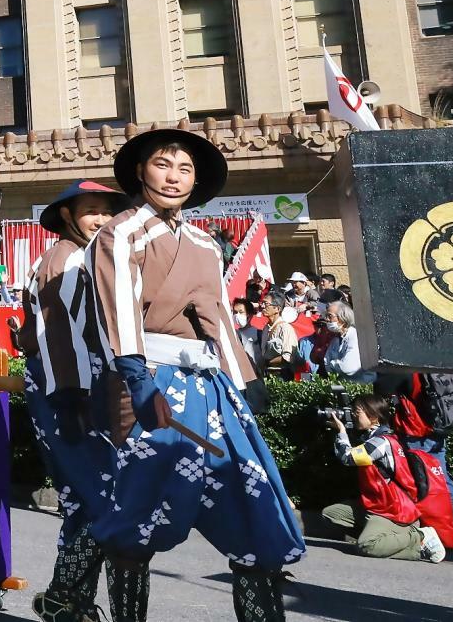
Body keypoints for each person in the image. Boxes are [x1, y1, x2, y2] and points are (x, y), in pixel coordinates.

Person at [87, 129, 304, 622]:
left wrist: (246, 379)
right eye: (163, 164)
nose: (174, 177)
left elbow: (217, 315)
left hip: (209, 386)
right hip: (147, 381)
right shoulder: (119, 234)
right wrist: (137, 381)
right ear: (141, 172)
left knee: (252, 506)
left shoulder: (205, 241)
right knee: (133, 519)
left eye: (185, 169)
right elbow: (119, 314)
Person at [20, 178, 127, 622]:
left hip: (84, 388)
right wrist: (69, 398)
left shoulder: (87, 255)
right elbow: (54, 336)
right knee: (102, 501)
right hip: (66, 389)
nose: (100, 218)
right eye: (90, 210)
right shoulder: (63, 258)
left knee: (87, 502)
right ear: (67, 216)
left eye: (106, 209)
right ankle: (62, 596)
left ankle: (73, 607)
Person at [324, 396, 449, 562]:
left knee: (366, 546)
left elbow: (348, 457)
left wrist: (341, 432)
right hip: (375, 505)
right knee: (331, 514)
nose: (353, 415)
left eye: (357, 412)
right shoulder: (372, 438)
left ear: (374, 417)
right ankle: (384, 539)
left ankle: (418, 538)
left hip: (392, 510)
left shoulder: (381, 442)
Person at [373, 371, 453, 554]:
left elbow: (381, 388)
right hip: (438, 430)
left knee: (416, 484)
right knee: (444, 481)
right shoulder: (433, 365)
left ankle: (427, 534)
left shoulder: (405, 368)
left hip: (415, 434)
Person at [315, 301, 369, 382]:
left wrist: (332, 364)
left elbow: (348, 367)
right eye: (326, 316)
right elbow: (326, 364)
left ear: (342, 317)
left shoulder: (355, 336)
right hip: (341, 384)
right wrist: (336, 364)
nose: (327, 319)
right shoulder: (335, 340)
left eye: (330, 316)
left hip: (361, 385)